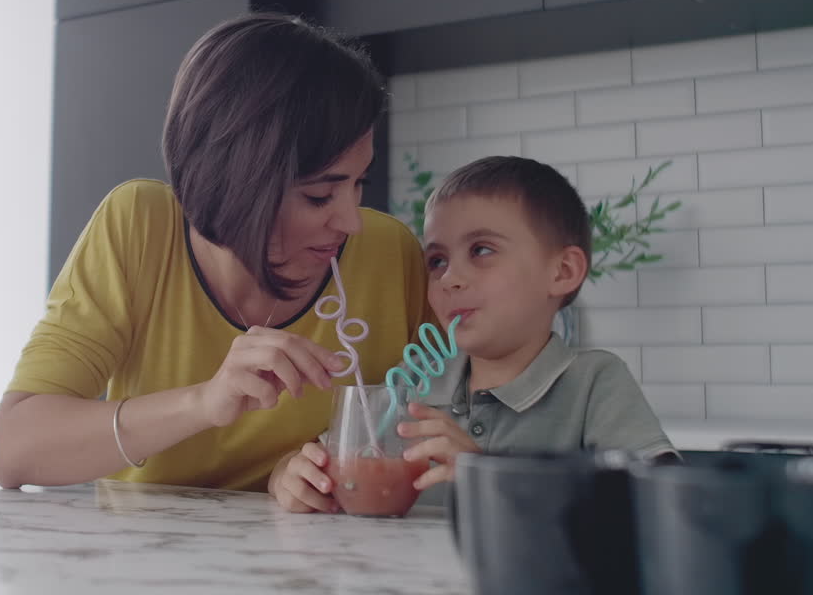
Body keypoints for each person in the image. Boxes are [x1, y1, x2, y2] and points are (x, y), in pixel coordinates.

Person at [0, 12, 432, 497]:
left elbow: (448, 419)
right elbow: (14, 450)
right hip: (149, 561)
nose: (352, 221)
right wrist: (203, 402)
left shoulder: (389, 254)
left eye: (359, 183)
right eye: (319, 196)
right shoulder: (140, 225)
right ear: (238, 180)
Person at [270, 155, 676, 511]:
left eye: (481, 250)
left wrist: (490, 479)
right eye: (437, 261)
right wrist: (293, 475)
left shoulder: (594, 382)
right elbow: (325, 463)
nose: (450, 278)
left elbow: (660, 503)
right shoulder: (412, 380)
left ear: (562, 272)